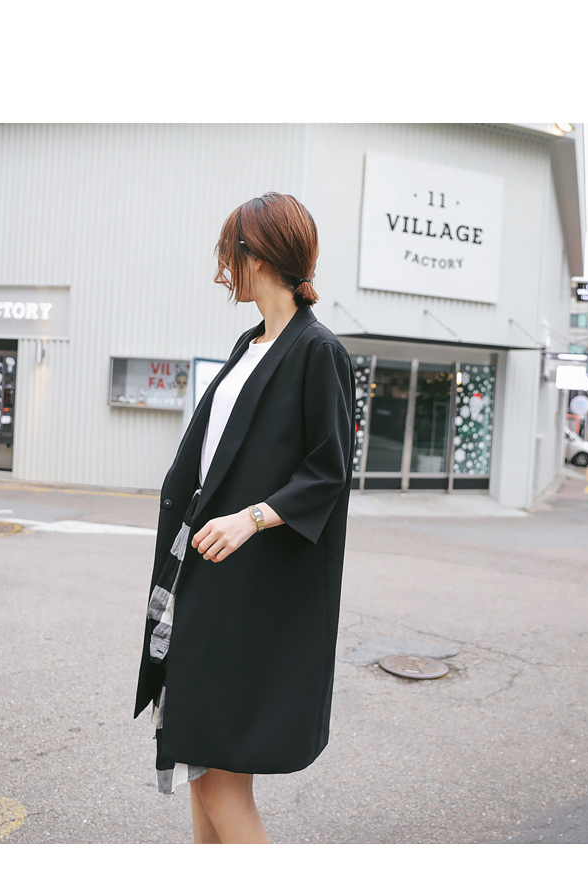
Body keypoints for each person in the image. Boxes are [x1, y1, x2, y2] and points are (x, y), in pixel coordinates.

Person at [134, 191, 356, 844]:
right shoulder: (251, 344)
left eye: (227, 253)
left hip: (252, 591)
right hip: (209, 576)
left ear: (255, 255)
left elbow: (328, 470)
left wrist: (250, 518)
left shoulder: (316, 350)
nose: (221, 269)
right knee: (202, 768)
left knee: (219, 780)